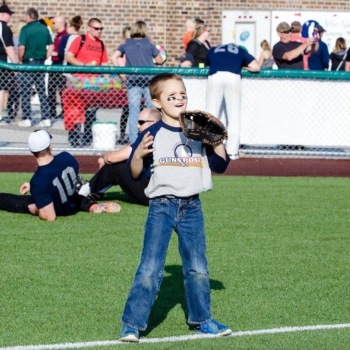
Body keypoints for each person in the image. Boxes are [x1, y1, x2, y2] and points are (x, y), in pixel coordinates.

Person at [118, 73, 231, 343]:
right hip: (162, 206)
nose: (179, 98)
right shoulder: (151, 133)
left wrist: (218, 142)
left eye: (182, 94)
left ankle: (202, 319)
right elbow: (134, 173)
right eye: (171, 96)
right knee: (150, 268)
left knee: (198, 268)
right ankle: (131, 324)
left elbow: (221, 165)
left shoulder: (198, 130)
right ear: (157, 103)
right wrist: (137, 155)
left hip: (192, 206)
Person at [0, 130, 121, 220]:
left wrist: (36, 208)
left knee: (17, 202)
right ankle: (90, 205)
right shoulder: (66, 157)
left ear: (31, 151)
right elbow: (58, 178)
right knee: (69, 194)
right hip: (73, 201)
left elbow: (50, 217)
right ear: (50, 146)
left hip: (60, 208)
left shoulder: (38, 180)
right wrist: (33, 186)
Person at [78, 108, 161, 206]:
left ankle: (83, 191)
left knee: (116, 166)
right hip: (169, 191)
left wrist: (103, 155)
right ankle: (96, 191)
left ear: (154, 123)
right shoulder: (165, 132)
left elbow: (112, 158)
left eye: (141, 122)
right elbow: (126, 151)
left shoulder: (150, 135)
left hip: (155, 195)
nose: (137, 126)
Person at [205, 43, 260, 160]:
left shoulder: (213, 49)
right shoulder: (240, 50)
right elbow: (256, 67)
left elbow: (205, 66)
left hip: (215, 76)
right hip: (233, 76)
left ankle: (209, 150)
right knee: (234, 115)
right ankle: (232, 152)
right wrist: (244, 67)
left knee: (211, 115)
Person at [111, 20, 163, 143]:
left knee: (134, 112)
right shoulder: (148, 43)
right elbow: (160, 60)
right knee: (151, 110)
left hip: (133, 81)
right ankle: (152, 137)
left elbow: (114, 56)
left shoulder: (127, 43)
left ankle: (134, 141)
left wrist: (121, 72)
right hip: (148, 80)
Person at [66, 17, 108, 147]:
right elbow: (69, 56)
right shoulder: (80, 39)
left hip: (94, 82)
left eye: (101, 29)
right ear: (89, 28)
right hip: (78, 81)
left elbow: (104, 63)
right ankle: (74, 138)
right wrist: (84, 65)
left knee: (91, 111)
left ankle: (87, 137)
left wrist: (106, 81)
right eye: (96, 28)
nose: (99, 31)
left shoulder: (101, 44)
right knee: (75, 110)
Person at [17, 7, 53, 128]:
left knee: (26, 90)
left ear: (28, 16)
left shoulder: (25, 29)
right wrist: (45, 56)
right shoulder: (44, 29)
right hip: (41, 62)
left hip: (28, 62)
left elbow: (22, 47)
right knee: (41, 90)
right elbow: (51, 46)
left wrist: (20, 59)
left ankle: (27, 118)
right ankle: (46, 118)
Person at [48, 15, 67, 122]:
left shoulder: (65, 36)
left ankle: (64, 111)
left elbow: (64, 52)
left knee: (61, 89)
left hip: (60, 64)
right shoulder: (57, 35)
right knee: (51, 88)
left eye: (54, 23)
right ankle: (52, 111)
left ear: (60, 23)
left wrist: (51, 52)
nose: (53, 25)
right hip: (54, 63)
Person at [0, 3, 17, 125]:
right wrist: (16, 65)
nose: (10, 17)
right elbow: (9, 47)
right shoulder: (4, 28)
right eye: (9, 15)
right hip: (2, 63)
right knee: (1, 90)